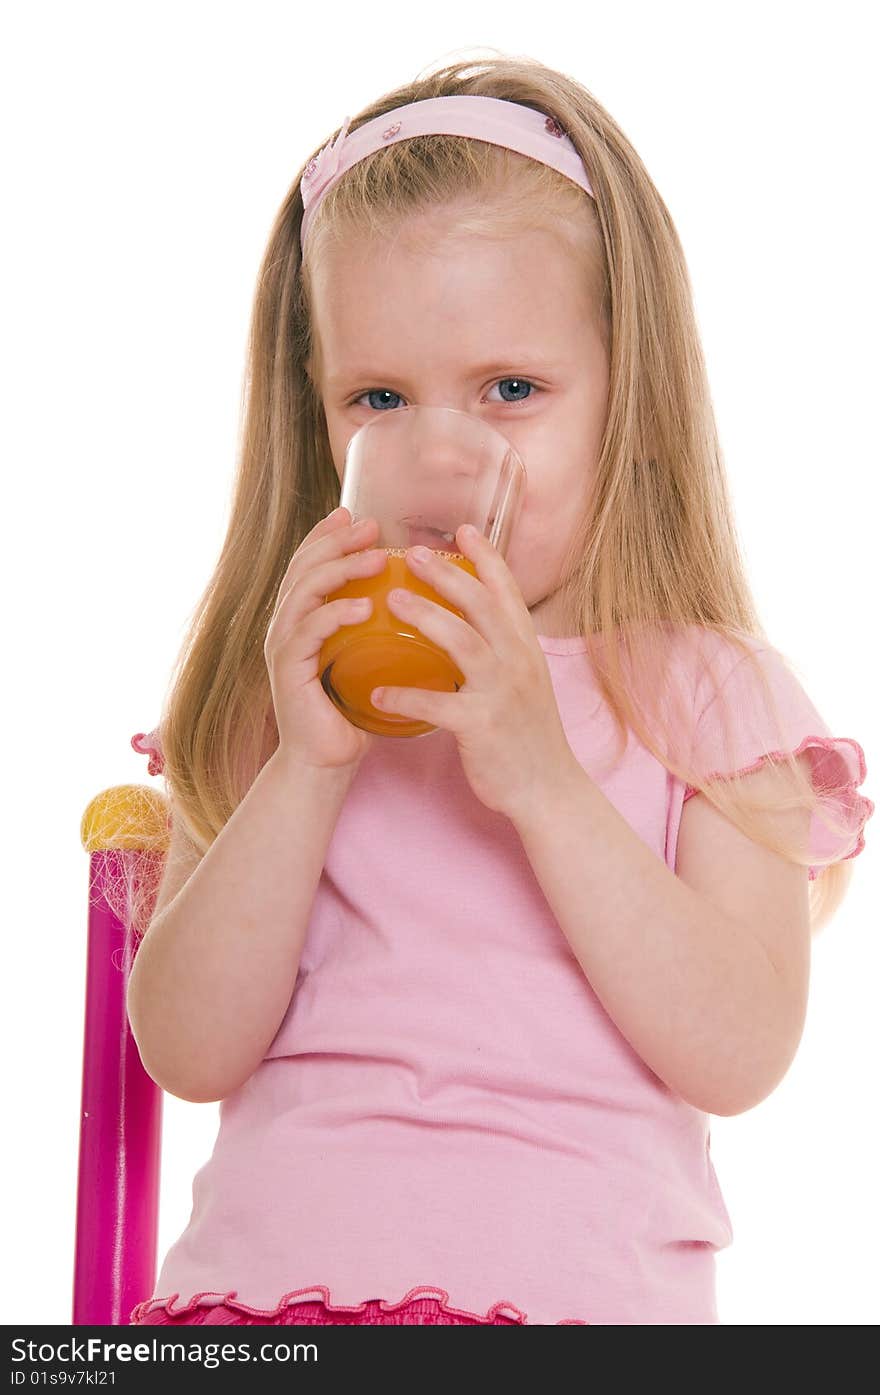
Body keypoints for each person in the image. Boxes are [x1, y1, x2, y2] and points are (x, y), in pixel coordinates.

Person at [122, 54, 873, 1327]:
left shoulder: (709, 695)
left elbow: (738, 1051)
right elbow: (189, 1054)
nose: (439, 453)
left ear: (625, 401)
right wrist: (308, 766)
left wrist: (541, 777)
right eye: (379, 399)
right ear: (322, 426)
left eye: (510, 392)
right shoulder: (291, 684)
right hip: (261, 1317)